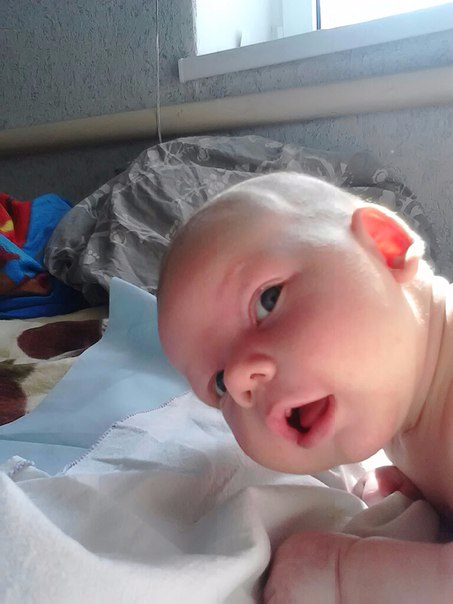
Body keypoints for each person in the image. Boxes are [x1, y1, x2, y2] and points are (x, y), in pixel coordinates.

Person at [157, 172, 453, 602]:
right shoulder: (413, 398)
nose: (238, 380)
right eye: (218, 385)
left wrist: (342, 572)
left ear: (384, 246)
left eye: (267, 301)